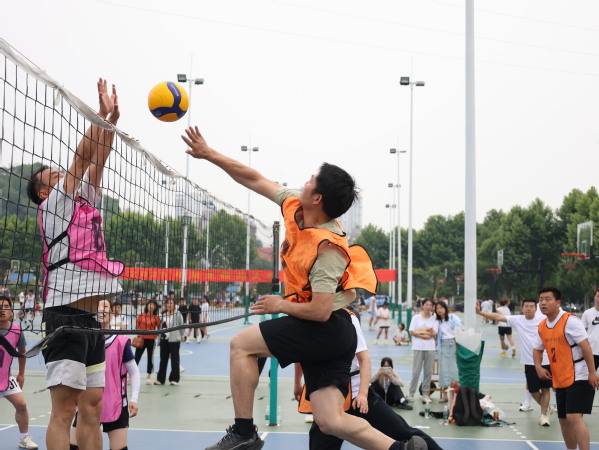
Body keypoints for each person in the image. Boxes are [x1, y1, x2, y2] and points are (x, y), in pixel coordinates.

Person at [182, 126, 410, 450]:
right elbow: (254, 178)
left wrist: (280, 305)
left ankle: (244, 432)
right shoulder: (294, 205)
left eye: (311, 180)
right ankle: (399, 448)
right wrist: (209, 154)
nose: (306, 180)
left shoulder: (328, 248)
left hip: (326, 327)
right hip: (332, 331)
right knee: (330, 421)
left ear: (318, 198)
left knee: (241, 345)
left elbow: (320, 311)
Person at [26, 78, 123, 450]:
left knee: (92, 408)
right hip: (64, 316)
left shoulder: (83, 200)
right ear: (43, 191)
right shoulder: (53, 206)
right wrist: (98, 115)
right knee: (64, 411)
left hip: (91, 320)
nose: (60, 174)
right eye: (52, 176)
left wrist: (110, 123)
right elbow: (81, 160)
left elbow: (97, 163)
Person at [300, 312, 435, 450]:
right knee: (320, 444)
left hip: (357, 396)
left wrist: (363, 394)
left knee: (403, 432)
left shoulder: (348, 319)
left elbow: (364, 359)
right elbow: (301, 356)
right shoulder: (308, 320)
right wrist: (298, 384)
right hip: (329, 401)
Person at [534, 286, 599, 450]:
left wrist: (592, 372)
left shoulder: (570, 321)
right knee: (563, 419)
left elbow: (586, 346)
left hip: (580, 373)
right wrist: (538, 367)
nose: (543, 303)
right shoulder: (542, 326)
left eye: (547, 299)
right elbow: (537, 349)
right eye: (540, 300)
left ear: (558, 302)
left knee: (573, 417)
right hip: (561, 376)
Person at [70, 299, 140, 450]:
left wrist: (134, 399)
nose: (101, 309)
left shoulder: (121, 341)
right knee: (74, 446)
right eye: (98, 306)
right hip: (87, 402)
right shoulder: (83, 339)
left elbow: (134, 372)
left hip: (115, 403)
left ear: (112, 313)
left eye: (105, 306)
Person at [477, 298, 553, 425]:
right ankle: (546, 409)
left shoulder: (544, 319)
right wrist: (480, 312)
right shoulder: (518, 320)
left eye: (531, 306)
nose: (529, 308)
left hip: (545, 360)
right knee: (533, 390)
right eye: (526, 306)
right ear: (522, 308)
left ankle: (543, 415)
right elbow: (498, 317)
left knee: (545, 388)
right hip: (529, 362)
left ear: (536, 309)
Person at [0, 296, 39, 449]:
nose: (2, 310)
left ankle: (24, 438)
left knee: (21, 404)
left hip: (6, 377)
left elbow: (22, 352)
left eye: (6, 306)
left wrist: (21, 374)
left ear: (11, 311)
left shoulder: (16, 330)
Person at [408, 298, 438, 404]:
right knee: (416, 371)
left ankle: (425, 394)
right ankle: (411, 394)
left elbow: (434, 334)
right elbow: (412, 332)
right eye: (427, 304)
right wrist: (425, 333)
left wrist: (420, 332)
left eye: (430, 305)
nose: (428, 307)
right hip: (418, 347)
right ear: (422, 305)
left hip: (430, 348)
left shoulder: (435, 318)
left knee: (428, 372)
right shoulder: (416, 318)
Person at [434, 300, 461, 403]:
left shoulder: (453, 317)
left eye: (441, 308)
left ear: (445, 308)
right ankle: (445, 395)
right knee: (444, 370)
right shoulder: (436, 321)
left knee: (454, 370)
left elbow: (460, 328)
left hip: (454, 343)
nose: (439, 310)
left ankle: (455, 395)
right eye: (437, 308)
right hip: (443, 345)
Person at [154, 298, 185, 386]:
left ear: (174, 305)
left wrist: (182, 335)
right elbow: (161, 326)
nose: (169, 305)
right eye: (167, 303)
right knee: (163, 359)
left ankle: (174, 379)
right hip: (164, 339)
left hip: (174, 339)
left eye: (171, 303)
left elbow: (181, 325)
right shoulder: (163, 315)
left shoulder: (178, 314)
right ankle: (160, 379)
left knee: (175, 360)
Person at [134, 299, 161, 385]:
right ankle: (131, 376)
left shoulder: (156, 317)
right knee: (136, 357)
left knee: (150, 358)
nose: (151, 306)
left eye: (153, 305)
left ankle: (149, 376)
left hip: (151, 339)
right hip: (141, 339)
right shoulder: (141, 315)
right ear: (147, 305)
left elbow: (159, 328)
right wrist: (139, 334)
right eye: (149, 304)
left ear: (155, 307)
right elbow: (137, 326)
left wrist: (156, 334)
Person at [581, 289, 599, 369]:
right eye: (598, 296)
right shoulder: (587, 313)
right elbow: (582, 333)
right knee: (591, 375)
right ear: (594, 298)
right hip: (591, 351)